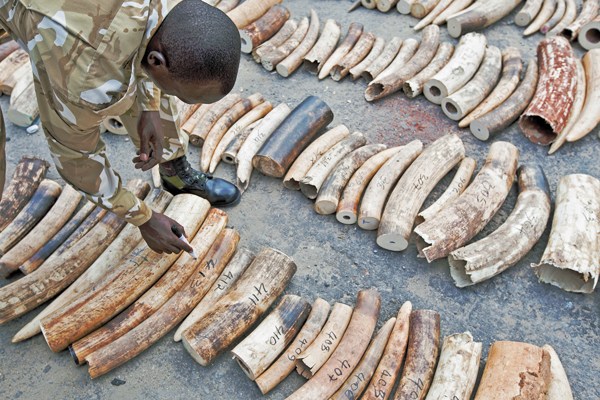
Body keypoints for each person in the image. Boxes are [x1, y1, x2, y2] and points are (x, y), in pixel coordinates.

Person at [0, 0, 242, 254]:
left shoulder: (165, 14)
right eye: (185, 97)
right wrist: (143, 217)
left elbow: (147, 42)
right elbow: (77, 158)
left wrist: (149, 106)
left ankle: (174, 172)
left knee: (163, 74)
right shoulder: (86, 78)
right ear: (156, 60)